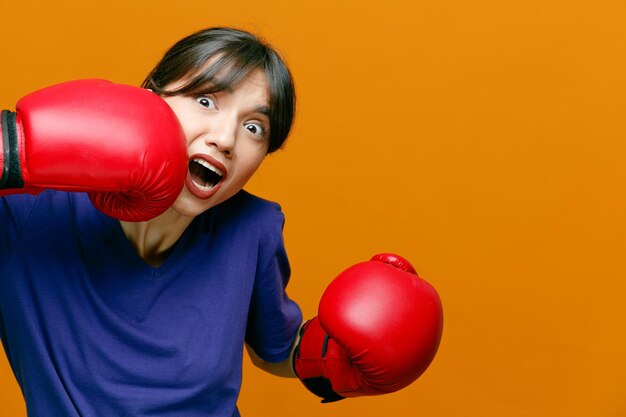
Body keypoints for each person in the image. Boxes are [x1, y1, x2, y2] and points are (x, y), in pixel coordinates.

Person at [0, 27, 443, 417]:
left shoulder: (252, 228)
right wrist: (12, 149)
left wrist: (331, 361)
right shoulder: (35, 211)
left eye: (255, 128)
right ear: (149, 98)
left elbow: (277, 350)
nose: (226, 138)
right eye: (206, 100)